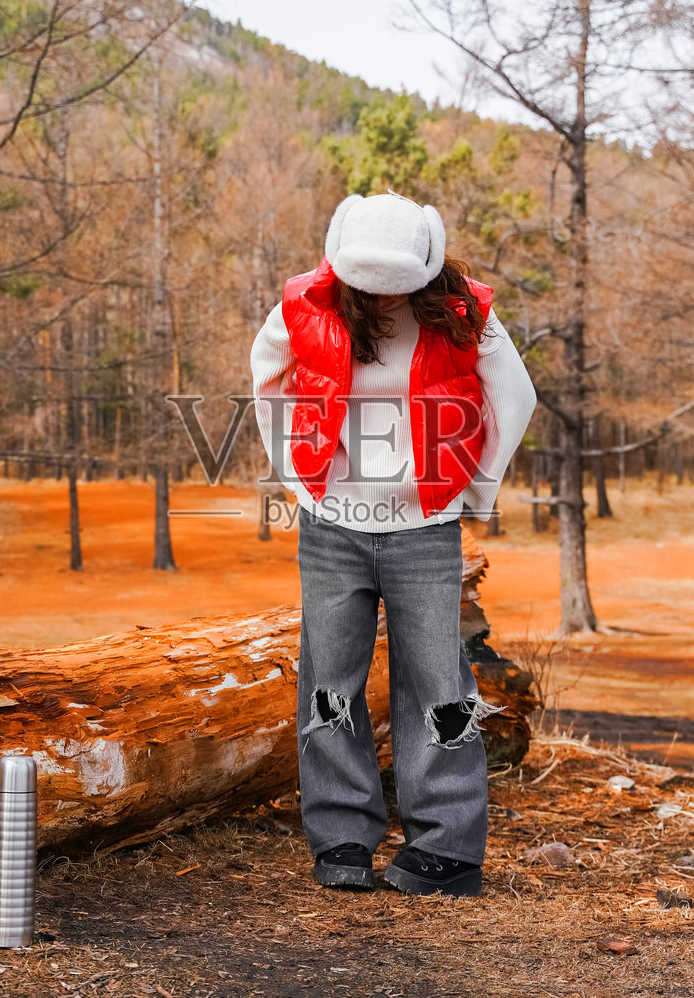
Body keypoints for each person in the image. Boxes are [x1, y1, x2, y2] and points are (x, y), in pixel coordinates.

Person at [249, 191, 537, 897]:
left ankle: (447, 848)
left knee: (440, 683)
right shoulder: (306, 305)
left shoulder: (466, 312)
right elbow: (265, 378)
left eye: (394, 286)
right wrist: (300, 482)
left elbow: (515, 395)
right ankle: (342, 838)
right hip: (332, 529)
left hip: (424, 530)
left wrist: (477, 489)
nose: (379, 297)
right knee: (329, 681)